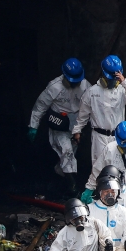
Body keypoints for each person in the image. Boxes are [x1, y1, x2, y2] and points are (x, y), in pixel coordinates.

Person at [28, 58, 91, 194]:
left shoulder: (85, 86)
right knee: (67, 152)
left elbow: (92, 105)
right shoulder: (54, 87)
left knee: (69, 156)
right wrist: (33, 126)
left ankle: (58, 179)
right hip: (60, 126)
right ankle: (73, 187)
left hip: (76, 127)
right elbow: (40, 107)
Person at [72, 55, 126, 167]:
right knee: (100, 168)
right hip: (99, 137)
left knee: (120, 167)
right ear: (104, 74)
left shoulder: (122, 90)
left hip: (118, 137)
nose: (112, 81)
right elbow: (83, 114)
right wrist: (77, 131)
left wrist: (125, 82)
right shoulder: (92, 92)